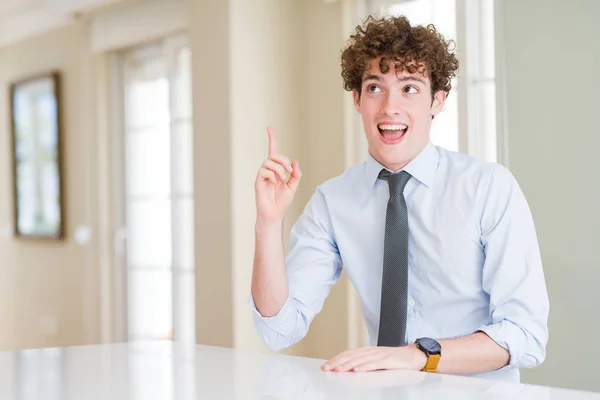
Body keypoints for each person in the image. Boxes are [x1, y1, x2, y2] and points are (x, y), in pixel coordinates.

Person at [249, 14, 549, 382]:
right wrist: (268, 222)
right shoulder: (334, 201)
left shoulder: (489, 188)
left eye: (409, 88)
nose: (390, 107)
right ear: (357, 99)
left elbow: (526, 334)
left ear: (437, 101)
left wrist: (419, 356)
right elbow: (278, 330)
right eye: (375, 88)